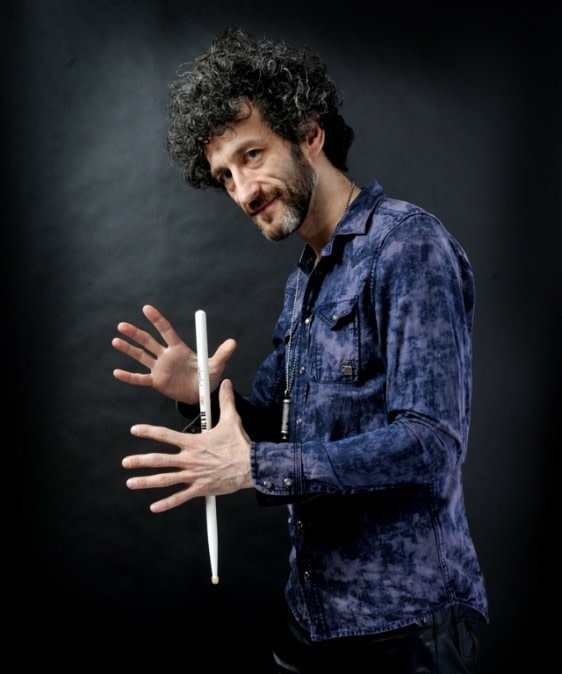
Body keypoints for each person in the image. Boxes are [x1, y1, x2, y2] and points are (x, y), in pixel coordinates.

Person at [112, 26, 489, 673]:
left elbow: (431, 443)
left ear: (309, 133)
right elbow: (276, 432)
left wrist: (256, 469)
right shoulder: (305, 282)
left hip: (407, 630)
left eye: (252, 155)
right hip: (311, 621)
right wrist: (202, 398)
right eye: (225, 176)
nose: (243, 191)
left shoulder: (408, 246)